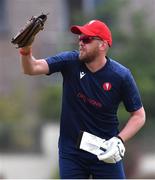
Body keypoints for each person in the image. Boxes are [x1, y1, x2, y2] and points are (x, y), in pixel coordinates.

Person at [18, 19, 145, 179]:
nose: (81, 43)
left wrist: (119, 140)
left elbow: (139, 116)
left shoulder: (121, 76)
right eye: (79, 38)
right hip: (71, 153)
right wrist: (25, 49)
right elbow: (31, 68)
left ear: (103, 45)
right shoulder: (70, 61)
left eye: (86, 39)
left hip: (105, 151)